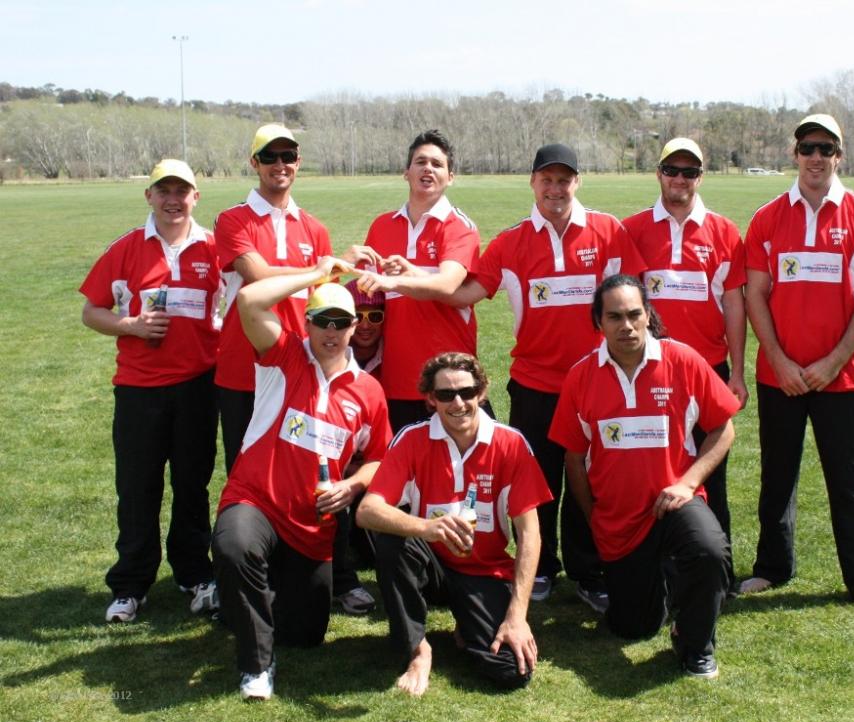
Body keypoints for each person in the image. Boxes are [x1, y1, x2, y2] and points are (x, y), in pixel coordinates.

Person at [434, 144, 645, 611]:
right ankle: (543, 566)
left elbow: (634, 297)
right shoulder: (511, 242)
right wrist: (407, 278)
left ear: (577, 183)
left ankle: (589, 571)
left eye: (564, 180)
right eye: (547, 180)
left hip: (597, 382)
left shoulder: (608, 231)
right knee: (539, 481)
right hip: (535, 385)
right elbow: (464, 292)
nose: (555, 189)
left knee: (592, 479)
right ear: (532, 183)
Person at [212, 258, 392, 700]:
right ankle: (256, 666)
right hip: (256, 500)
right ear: (307, 324)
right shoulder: (283, 356)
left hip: (312, 524)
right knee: (234, 547)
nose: (332, 332)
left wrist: (351, 486)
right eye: (322, 321)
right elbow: (249, 299)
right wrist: (317, 275)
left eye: (341, 322)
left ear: (354, 327)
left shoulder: (369, 391)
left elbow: (380, 459)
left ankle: (244, 602)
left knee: (306, 635)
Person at [739, 114, 854, 618]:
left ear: (839, 156)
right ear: (795, 153)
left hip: (842, 377)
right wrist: (779, 359)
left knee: (853, 481)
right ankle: (773, 566)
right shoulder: (767, 218)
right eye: (808, 147)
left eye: (826, 148)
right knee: (777, 476)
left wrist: (833, 361)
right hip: (779, 375)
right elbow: (756, 294)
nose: (816, 157)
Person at [549, 274, 739, 678]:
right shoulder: (581, 376)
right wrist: (594, 516)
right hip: (620, 521)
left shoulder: (682, 360)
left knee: (709, 551)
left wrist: (688, 483)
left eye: (635, 314)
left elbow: (724, 429)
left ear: (648, 315)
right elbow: (574, 459)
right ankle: (663, 582)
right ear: (598, 322)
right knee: (632, 628)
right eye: (614, 317)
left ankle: (694, 643)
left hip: (676, 503)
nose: (627, 326)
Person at [356, 352, 551, 696]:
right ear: (431, 399)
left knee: (510, 670)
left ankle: (468, 622)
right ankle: (418, 649)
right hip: (430, 566)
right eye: (445, 394)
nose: (458, 403)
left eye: (467, 392)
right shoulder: (412, 439)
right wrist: (426, 528)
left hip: (484, 571)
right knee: (391, 539)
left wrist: (517, 617)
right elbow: (367, 511)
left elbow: (530, 534)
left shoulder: (511, 443)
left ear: (482, 392)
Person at [80, 159, 221, 623]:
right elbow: (91, 311)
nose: (173, 200)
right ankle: (130, 584)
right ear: (149, 196)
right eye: (164, 191)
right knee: (138, 487)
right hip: (138, 390)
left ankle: (194, 573)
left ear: (195, 197)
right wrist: (132, 326)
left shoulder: (214, 248)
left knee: (192, 485)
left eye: (182, 191)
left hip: (198, 387)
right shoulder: (125, 248)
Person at [622, 137, 747, 594]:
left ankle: (716, 575)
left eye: (689, 172)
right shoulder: (633, 229)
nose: (680, 179)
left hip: (709, 371)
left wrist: (737, 372)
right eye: (672, 170)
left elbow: (734, 304)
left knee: (712, 470)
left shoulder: (725, 232)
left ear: (701, 177)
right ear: (658, 173)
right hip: (652, 372)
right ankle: (654, 569)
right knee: (653, 470)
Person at [214, 123, 333, 473]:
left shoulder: (315, 229)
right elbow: (258, 274)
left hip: (299, 368)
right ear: (255, 163)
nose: (280, 164)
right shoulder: (233, 220)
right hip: (243, 370)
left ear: (298, 162)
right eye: (269, 156)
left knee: (297, 471)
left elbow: (322, 301)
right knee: (244, 471)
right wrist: (317, 270)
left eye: (288, 156)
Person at [349, 130, 481, 432]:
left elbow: (448, 284)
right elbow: (368, 295)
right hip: (394, 380)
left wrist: (393, 282)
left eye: (437, 164)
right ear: (406, 172)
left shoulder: (458, 226)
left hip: (448, 380)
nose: (428, 169)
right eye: (420, 162)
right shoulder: (381, 226)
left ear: (451, 177)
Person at [329, 279, 386, 615]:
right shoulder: (329, 355)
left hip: (375, 465)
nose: (366, 325)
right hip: (337, 461)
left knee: (376, 551)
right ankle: (341, 576)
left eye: (375, 316)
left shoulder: (396, 357)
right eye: (358, 316)